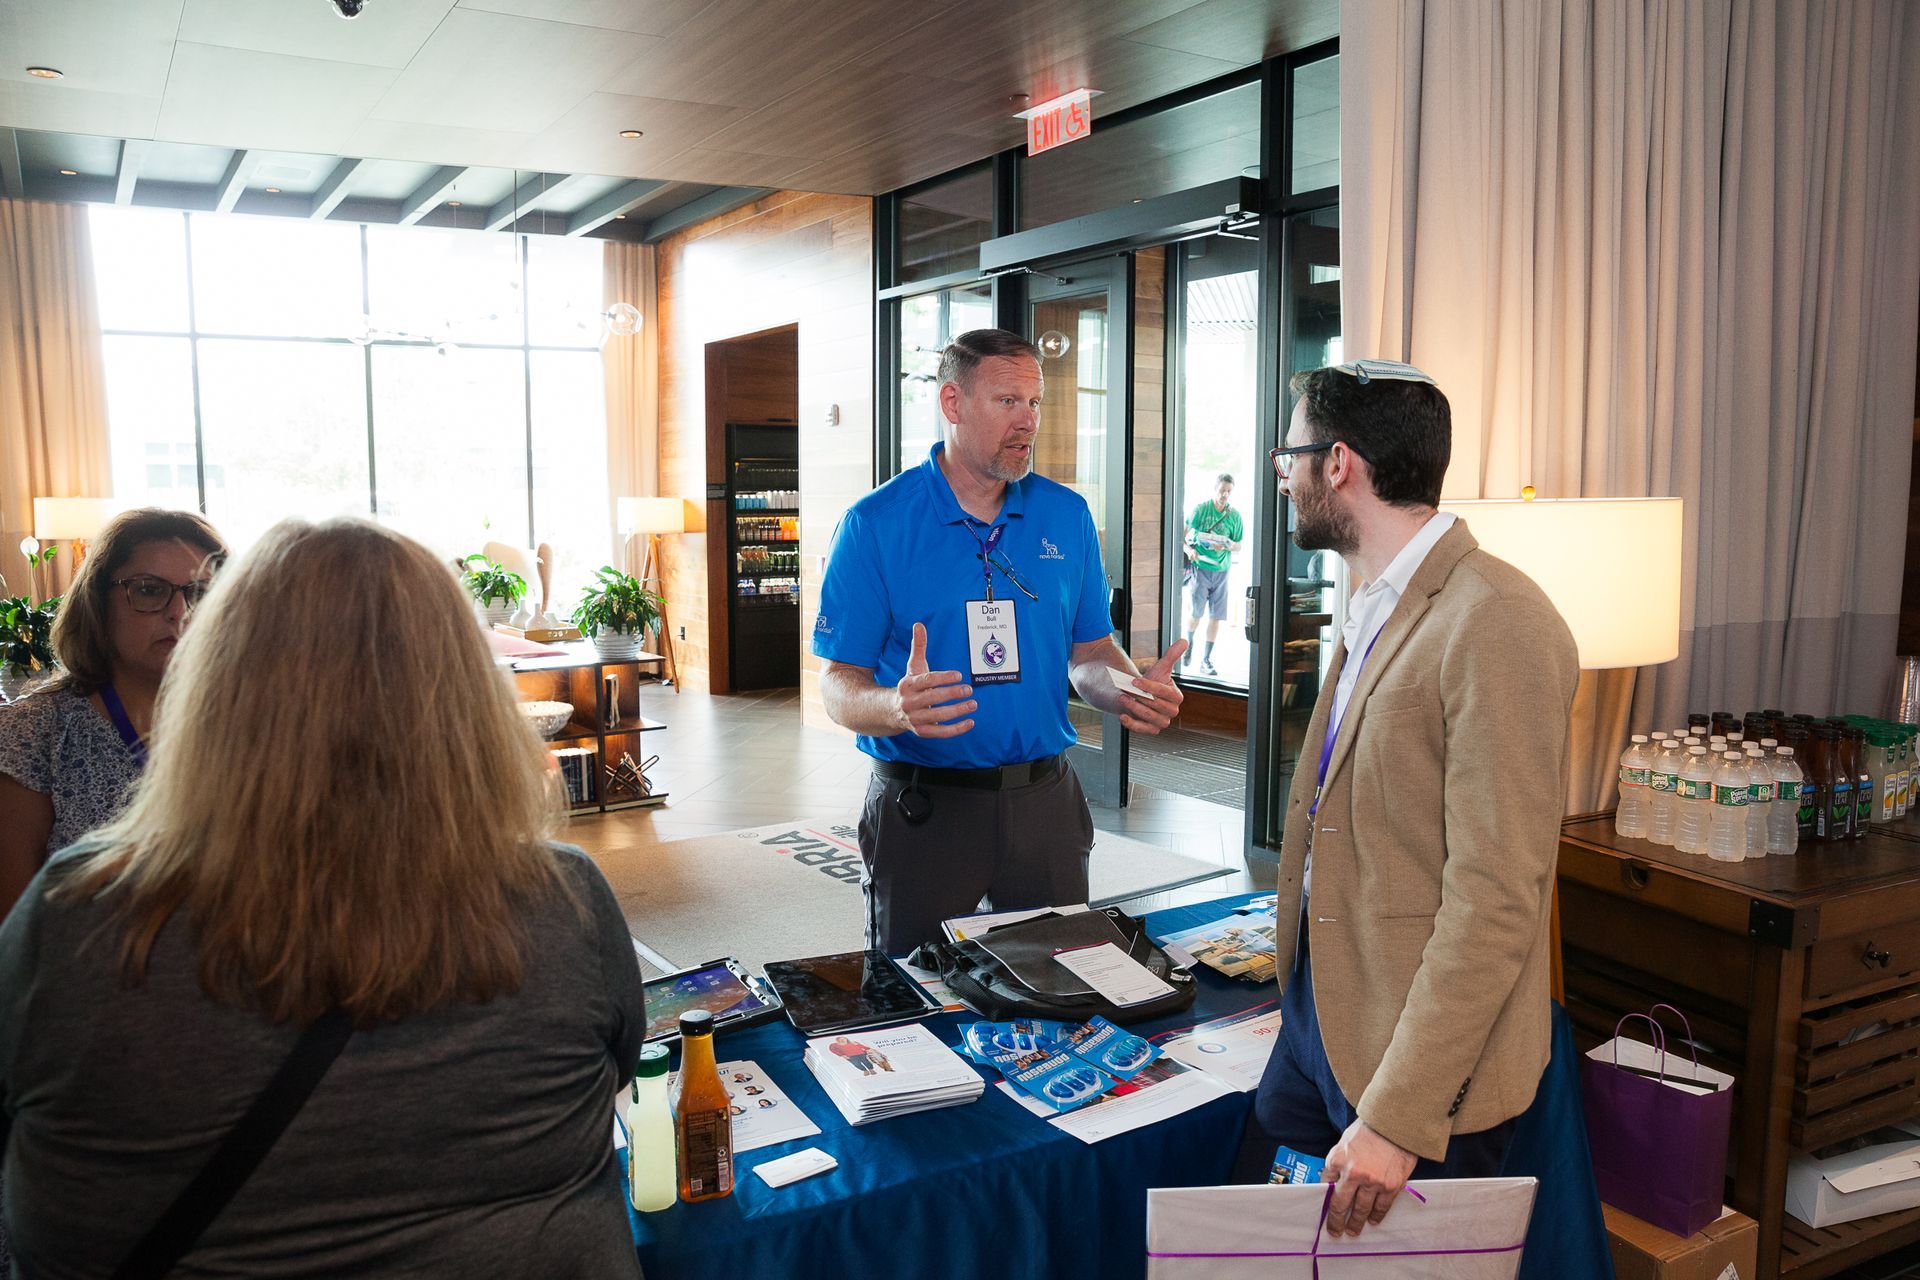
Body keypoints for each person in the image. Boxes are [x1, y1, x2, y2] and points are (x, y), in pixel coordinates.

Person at [0, 518, 646, 1277]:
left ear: (215, 681)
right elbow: (617, 1074)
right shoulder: (564, 903)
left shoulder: (75, 916)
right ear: (465, 696)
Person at [1255, 359, 1578, 1240]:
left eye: (1291, 452)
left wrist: (1399, 1118)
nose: (1279, 472)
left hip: (1420, 1074)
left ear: (1338, 465)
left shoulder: (1496, 619)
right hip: (1323, 1024)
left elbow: (1496, 897)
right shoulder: (1378, 602)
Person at [814, 328, 1186, 953]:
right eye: (1007, 401)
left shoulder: (1065, 516)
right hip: (925, 807)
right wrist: (895, 707)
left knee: (1062, 984)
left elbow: (1090, 655)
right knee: (913, 993)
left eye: (1035, 403)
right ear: (953, 403)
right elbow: (837, 685)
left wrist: (1128, 689)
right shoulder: (876, 524)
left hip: (1045, 805)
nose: (1028, 421)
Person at [0, 508, 227, 920]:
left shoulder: (253, 725)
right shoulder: (34, 731)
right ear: (97, 602)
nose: (180, 613)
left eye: (200, 592)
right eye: (147, 590)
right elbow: (13, 929)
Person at [1182, 473, 1244, 676]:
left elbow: (1238, 546)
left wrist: (1226, 545)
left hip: (1222, 570)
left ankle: (1206, 659)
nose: (1224, 495)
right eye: (1221, 490)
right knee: (1195, 613)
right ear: (1214, 489)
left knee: (1216, 616)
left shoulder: (1234, 516)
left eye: (1228, 492)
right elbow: (1182, 536)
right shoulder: (1201, 509)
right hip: (1201, 567)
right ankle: (1189, 646)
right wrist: (1190, 551)